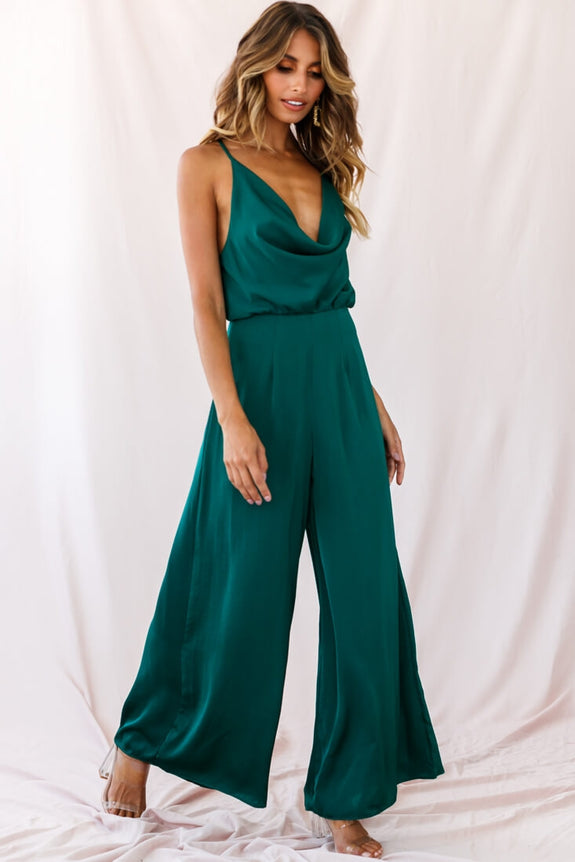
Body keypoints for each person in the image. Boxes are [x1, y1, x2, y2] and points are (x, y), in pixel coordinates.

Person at [98, 2, 445, 857]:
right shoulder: (205, 165)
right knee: (231, 585)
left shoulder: (320, 165)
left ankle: (343, 794)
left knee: (364, 597)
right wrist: (232, 419)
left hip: (340, 390)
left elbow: (332, 308)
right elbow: (205, 304)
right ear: (254, 65)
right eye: (286, 65)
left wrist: (373, 404)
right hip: (257, 394)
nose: (300, 84)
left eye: (315, 70)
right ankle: (141, 739)